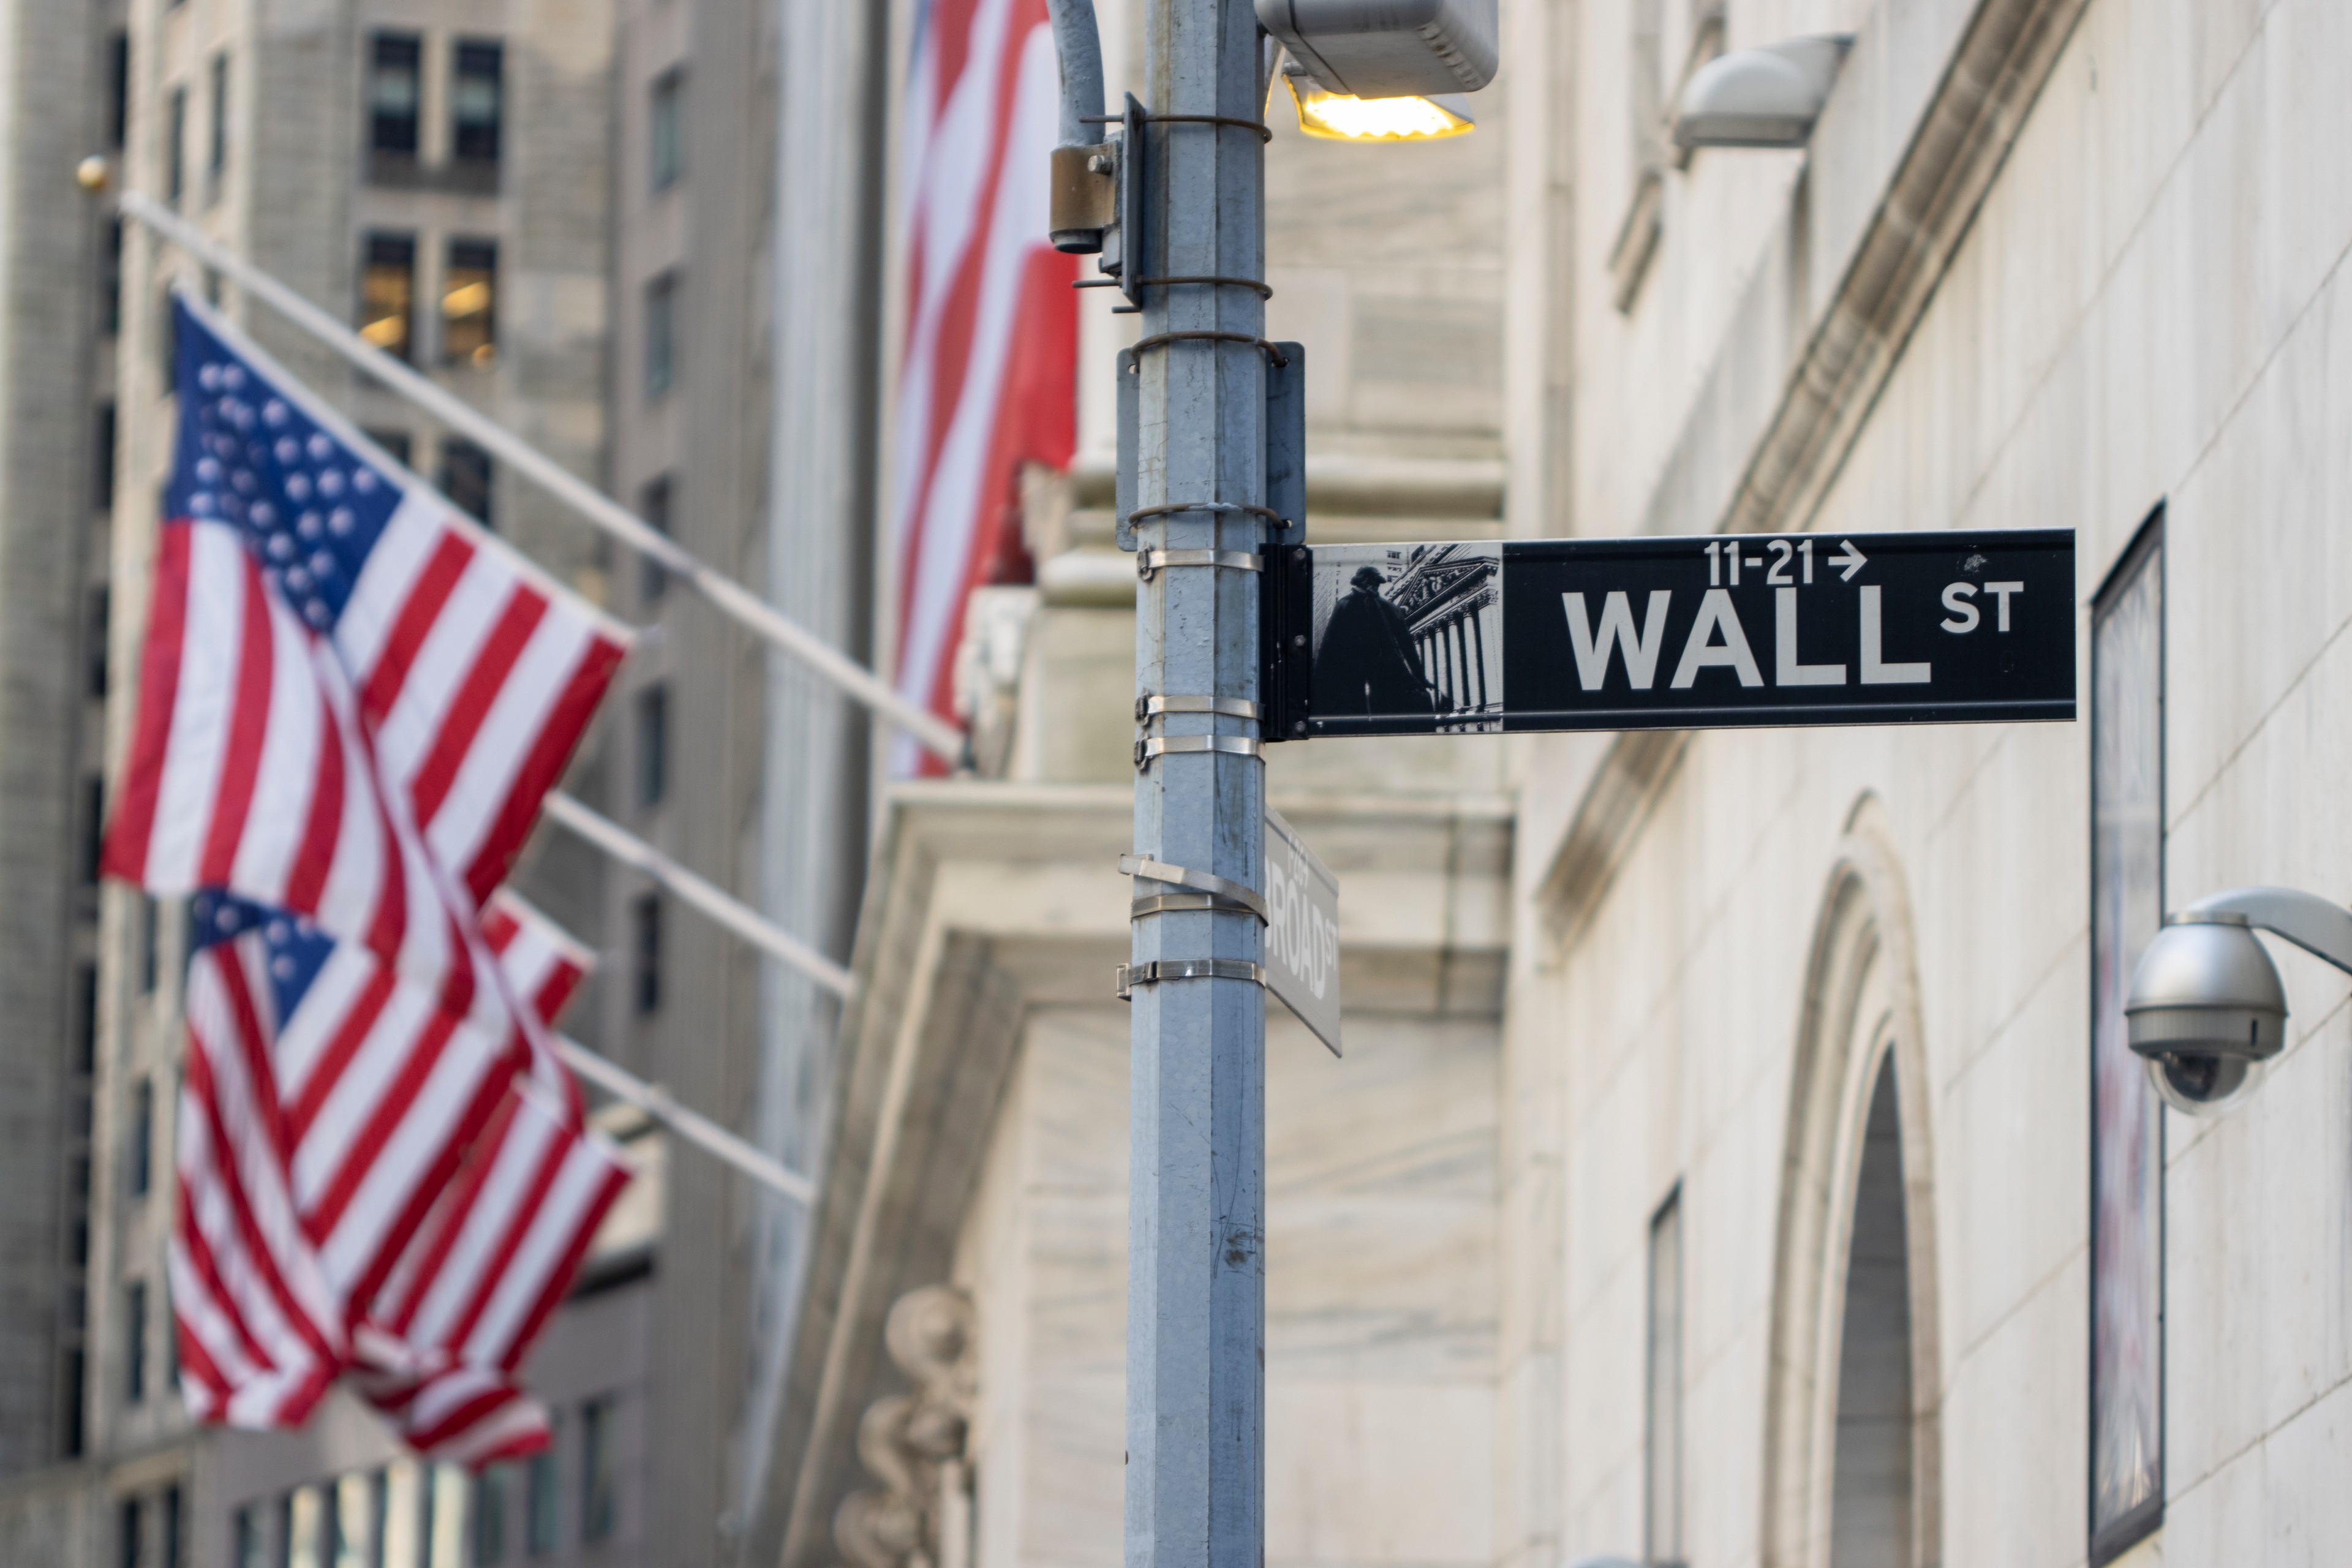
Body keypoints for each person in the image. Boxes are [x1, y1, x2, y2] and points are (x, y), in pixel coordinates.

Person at [1313, 564, 1435, 718]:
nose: (1376, 586)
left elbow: (1407, 645)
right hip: (1354, 676)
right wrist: (1318, 685)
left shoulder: (1389, 608)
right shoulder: (1345, 605)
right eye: (1374, 582)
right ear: (1363, 582)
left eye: (1377, 583)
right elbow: (1328, 647)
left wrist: (1420, 677)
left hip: (1383, 675)